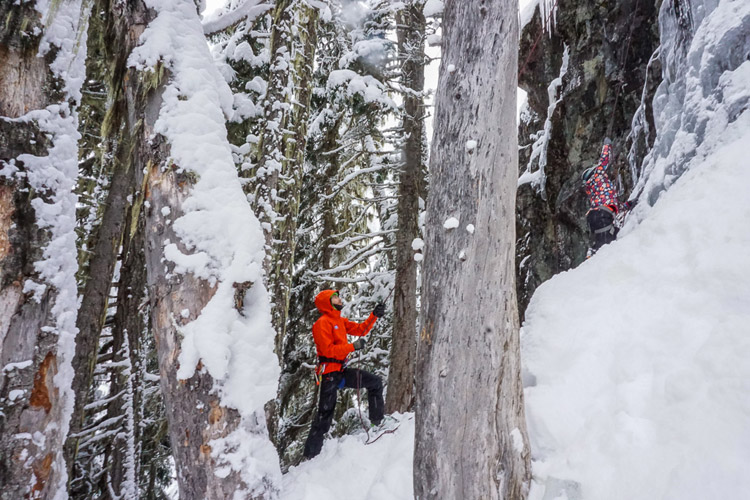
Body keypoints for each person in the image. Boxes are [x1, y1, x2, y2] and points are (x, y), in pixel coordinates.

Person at [302, 290, 386, 459]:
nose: (339, 299)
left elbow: (360, 330)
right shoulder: (322, 323)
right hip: (329, 374)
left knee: (375, 382)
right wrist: (352, 347)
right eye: (335, 297)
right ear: (328, 302)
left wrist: (374, 316)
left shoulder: (339, 321)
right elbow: (328, 350)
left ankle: (378, 422)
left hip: (341, 371)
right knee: (325, 415)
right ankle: (310, 456)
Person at [581, 138, 636, 254]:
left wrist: (628, 205)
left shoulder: (596, 192)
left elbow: (613, 205)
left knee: (613, 238)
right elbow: (605, 159)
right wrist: (607, 145)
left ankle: (593, 252)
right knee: (606, 245)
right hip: (602, 215)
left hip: (597, 216)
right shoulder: (597, 175)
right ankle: (594, 256)